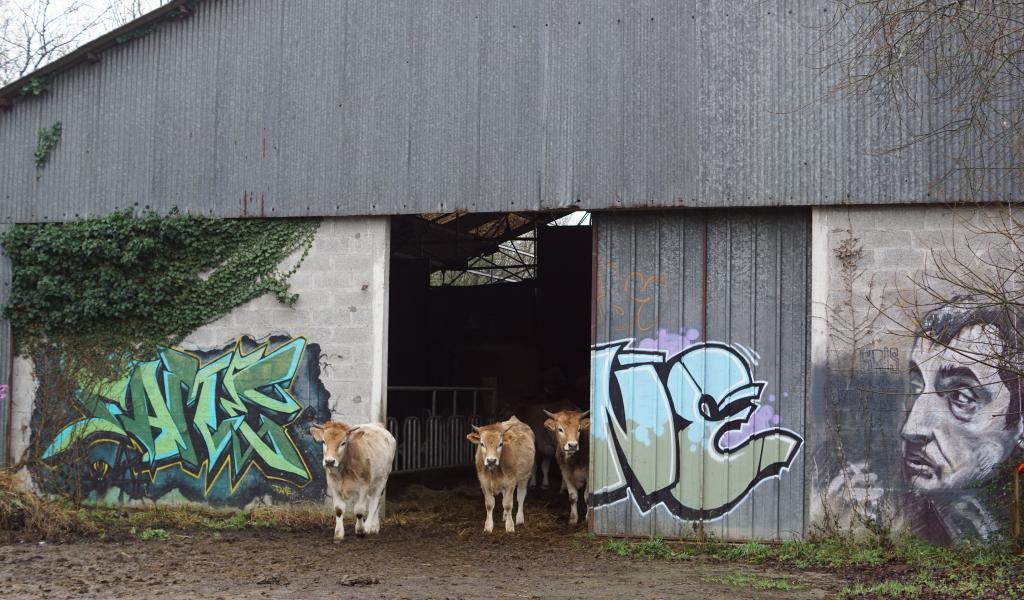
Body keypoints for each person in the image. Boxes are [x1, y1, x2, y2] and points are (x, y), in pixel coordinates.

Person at [826, 297, 1024, 544]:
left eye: (961, 396)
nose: (912, 429)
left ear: (1019, 423)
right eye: (916, 387)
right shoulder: (879, 509)